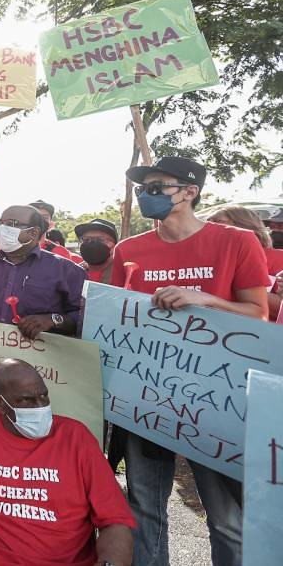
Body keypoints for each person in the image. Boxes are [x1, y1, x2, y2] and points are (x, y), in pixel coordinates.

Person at [112, 157, 267, 566]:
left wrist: (205, 299)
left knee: (226, 517)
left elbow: (259, 315)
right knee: (144, 507)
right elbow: (116, 317)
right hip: (147, 397)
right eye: (142, 187)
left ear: (190, 192)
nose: (147, 194)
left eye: (158, 186)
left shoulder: (236, 242)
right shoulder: (127, 250)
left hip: (216, 400)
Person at [0, 359, 135, 566]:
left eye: (44, 396)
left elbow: (115, 521)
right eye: (26, 400)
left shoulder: (77, 437)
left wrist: (109, 562)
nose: (40, 406)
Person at [0, 205, 85, 342]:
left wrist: (54, 319)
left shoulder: (65, 270)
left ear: (33, 232)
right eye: (1, 223)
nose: (2, 229)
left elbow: (84, 318)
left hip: (41, 359)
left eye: (11, 224)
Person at [0, 149, 71, 260]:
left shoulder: (59, 252)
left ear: (51, 225)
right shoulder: (10, 242)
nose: (39, 221)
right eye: (35, 217)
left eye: (44, 218)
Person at [206, 205, 282, 320]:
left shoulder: (278, 257)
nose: (209, 227)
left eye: (218, 222)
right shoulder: (210, 260)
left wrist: (247, 290)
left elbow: (279, 308)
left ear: (245, 225)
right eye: (207, 222)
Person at [74, 218, 118, 284]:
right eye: (86, 240)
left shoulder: (124, 274)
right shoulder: (73, 273)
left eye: (99, 240)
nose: (91, 244)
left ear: (113, 245)